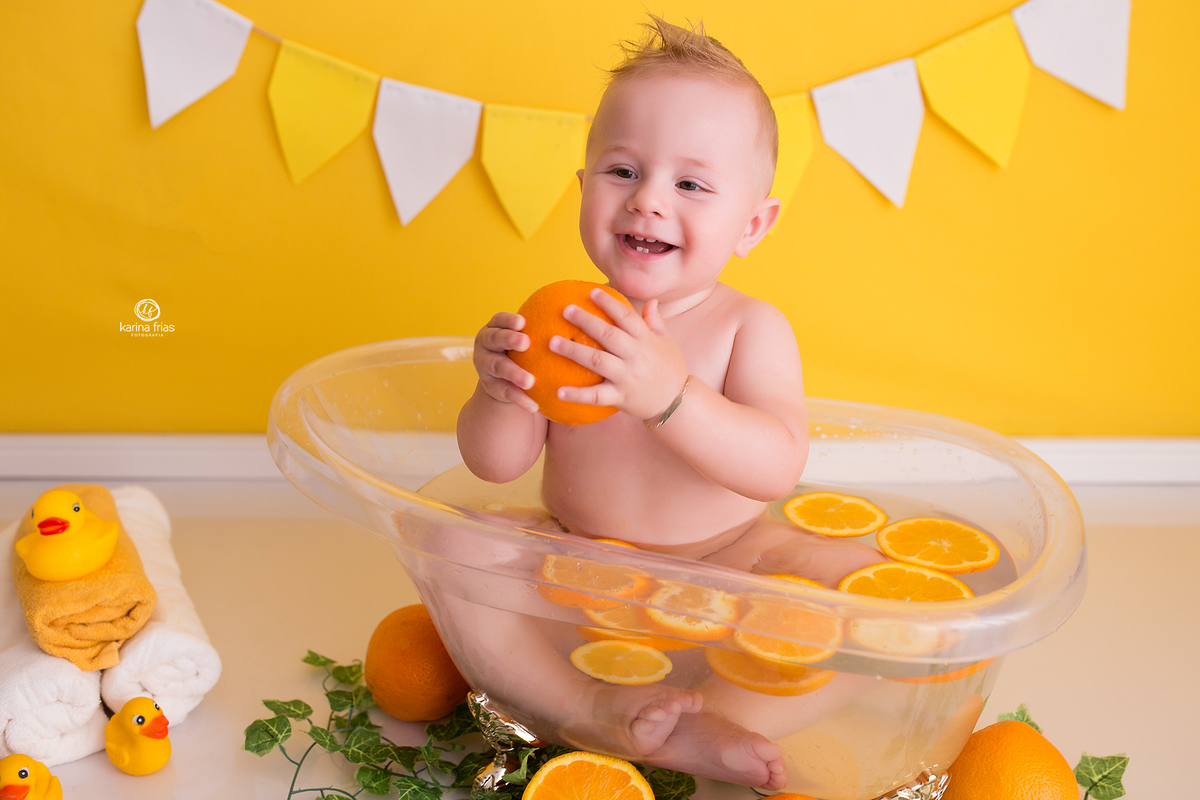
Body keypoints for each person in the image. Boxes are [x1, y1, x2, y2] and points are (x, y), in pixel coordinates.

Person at [454, 16, 882, 789]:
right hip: (575, 567)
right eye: (622, 171)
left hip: (727, 565)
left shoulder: (748, 326)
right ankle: (587, 707)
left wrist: (671, 396)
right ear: (584, 190)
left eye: (689, 184)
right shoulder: (566, 320)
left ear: (752, 224)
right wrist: (500, 391)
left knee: (873, 599)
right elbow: (495, 464)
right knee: (459, 544)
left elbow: (777, 465)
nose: (648, 201)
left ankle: (718, 718)